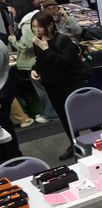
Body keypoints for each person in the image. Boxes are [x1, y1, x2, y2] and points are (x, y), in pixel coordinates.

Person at [30, 11, 89, 161]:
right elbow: (41, 60)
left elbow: (61, 63)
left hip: (70, 83)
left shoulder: (63, 40)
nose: (37, 30)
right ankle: (74, 143)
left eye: (40, 27)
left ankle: (94, 141)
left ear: (50, 25)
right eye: (34, 27)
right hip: (52, 85)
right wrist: (35, 69)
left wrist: (46, 49)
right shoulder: (38, 41)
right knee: (64, 117)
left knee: (80, 114)